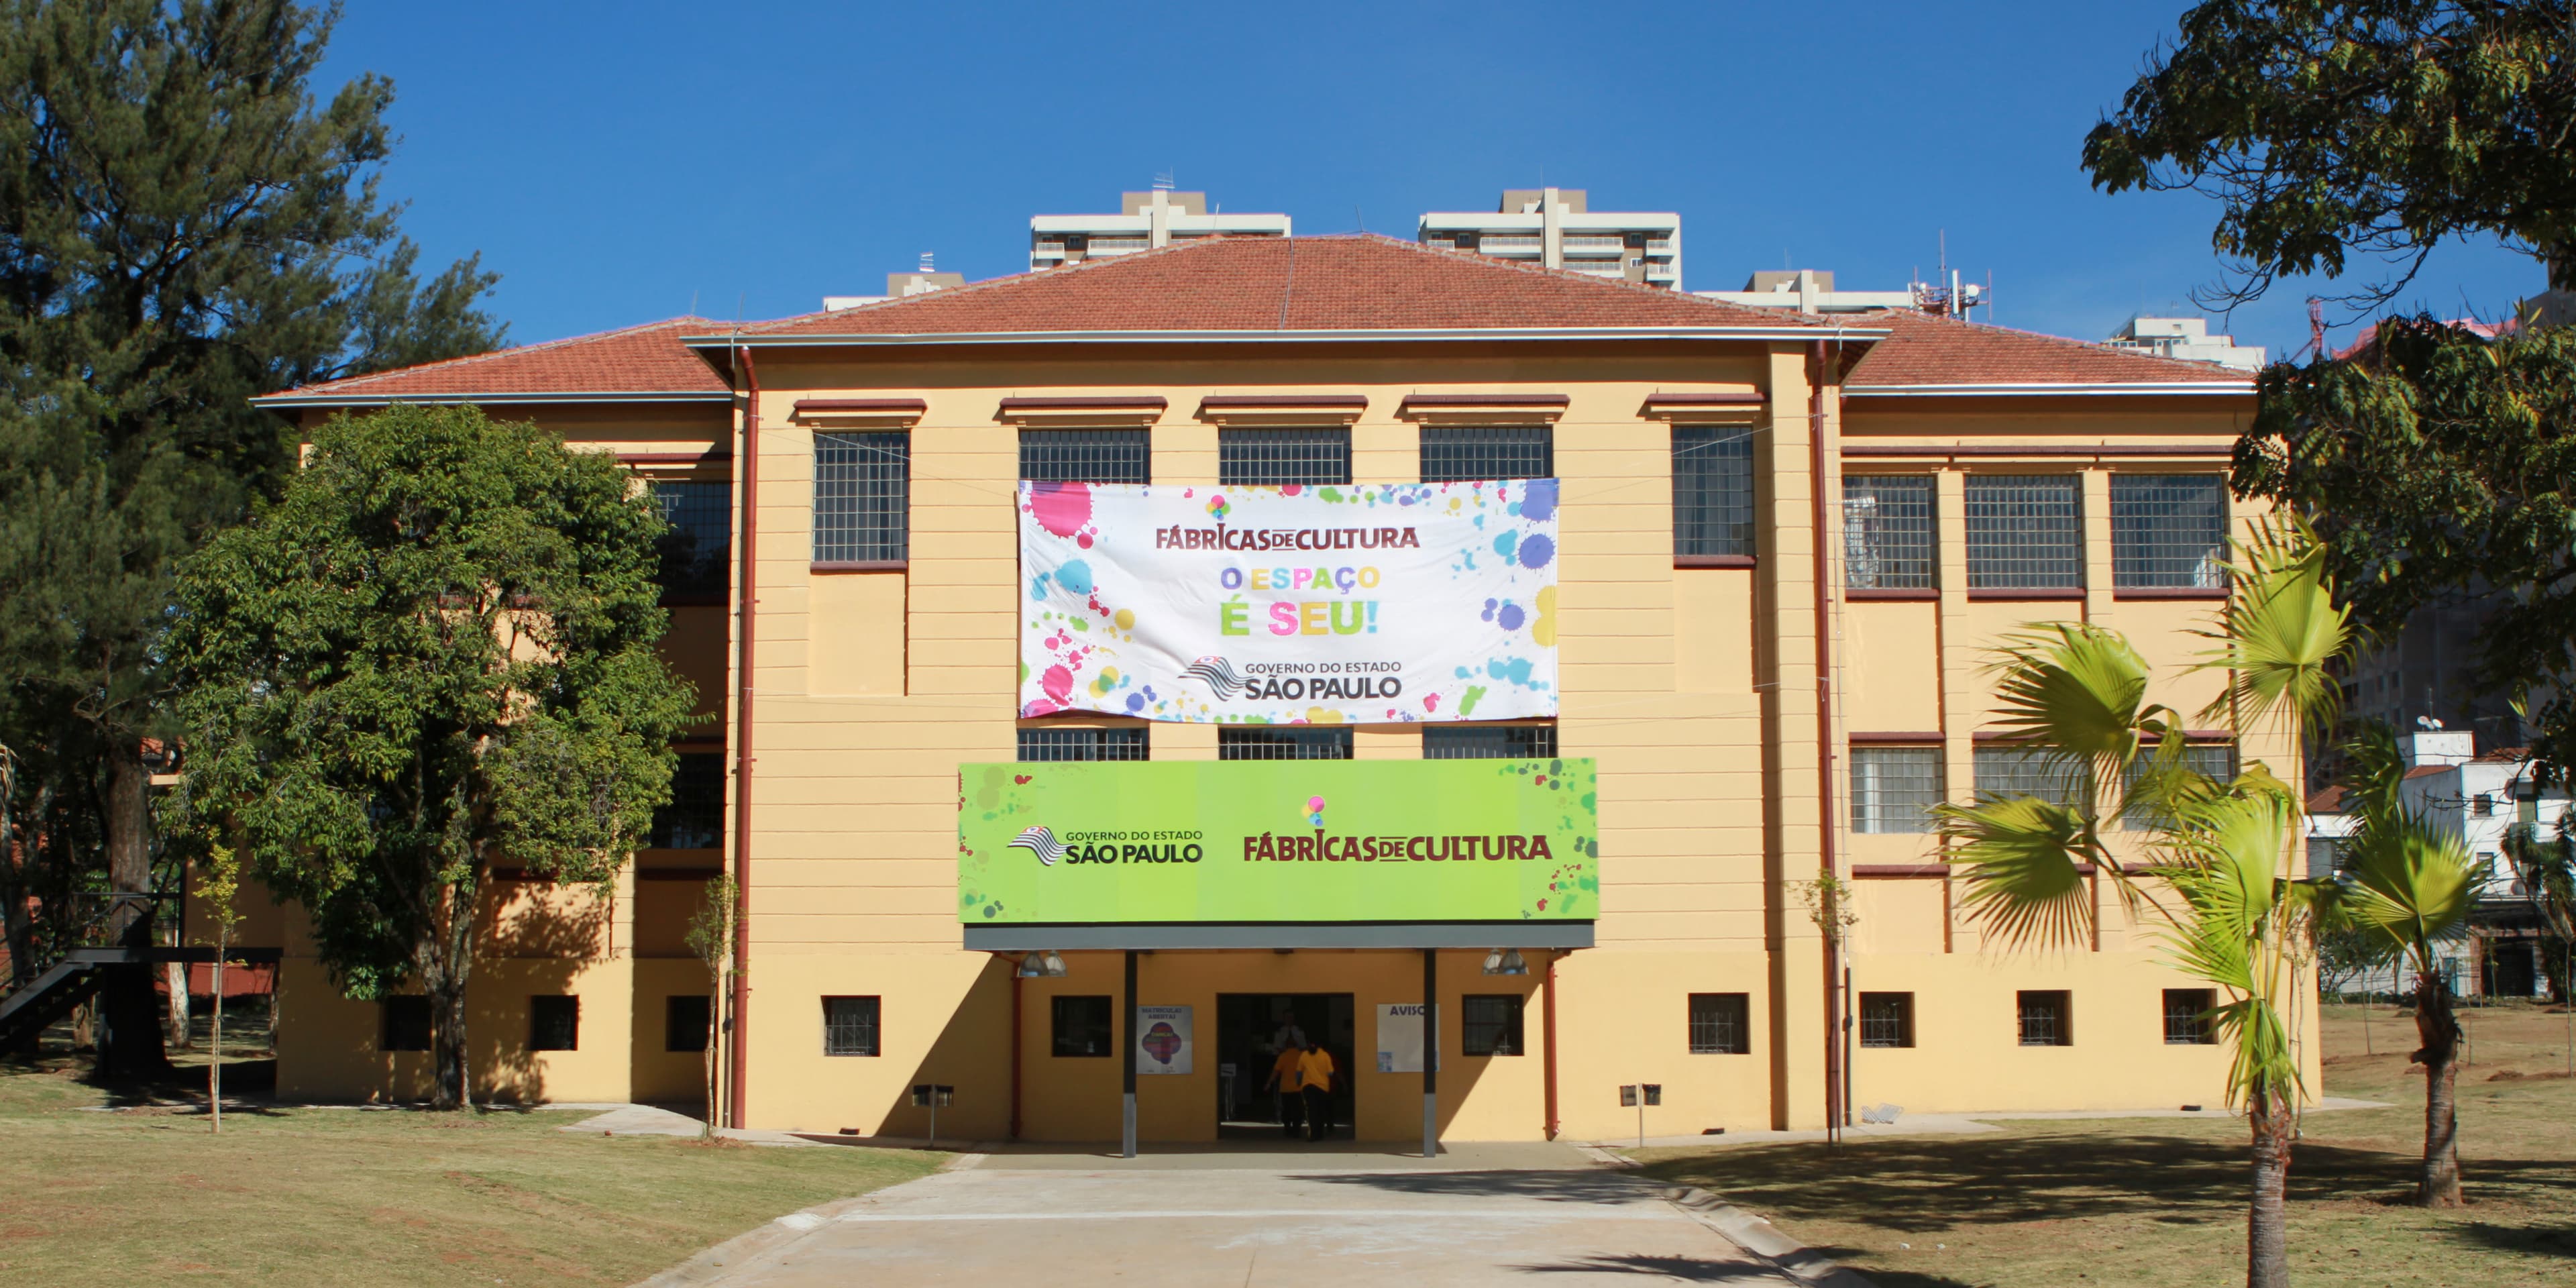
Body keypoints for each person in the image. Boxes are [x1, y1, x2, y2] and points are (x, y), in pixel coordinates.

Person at [1295, 1037, 1336, 1142]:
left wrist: (1298, 1082)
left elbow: (1299, 1072)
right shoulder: (1325, 1055)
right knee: (1321, 1111)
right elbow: (1330, 1073)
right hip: (1323, 1088)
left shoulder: (1304, 1055)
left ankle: (1313, 1134)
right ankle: (1320, 1134)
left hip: (1308, 1087)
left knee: (1311, 1111)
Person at [1264, 1040, 1304, 1138]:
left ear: (1286, 1046)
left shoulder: (1283, 1056)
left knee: (1286, 1109)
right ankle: (1297, 1130)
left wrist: (1269, 1083)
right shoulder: (1302, 1056)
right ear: (1296, 1046)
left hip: (1285, 1088)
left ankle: (1287, 1129)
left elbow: (1276, 1071)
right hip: (1299, 1088)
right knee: (1298, 1110)